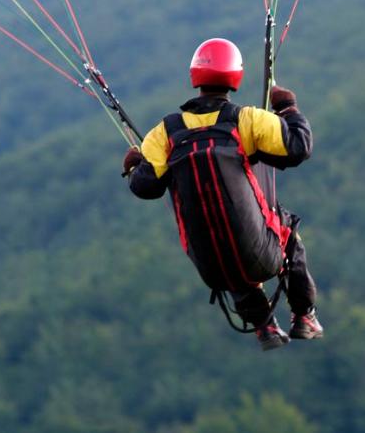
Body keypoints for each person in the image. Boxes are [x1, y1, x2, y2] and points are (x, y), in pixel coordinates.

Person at [123, 38, 322, 351]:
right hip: (261, 256)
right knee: (286, 230)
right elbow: (298, 147)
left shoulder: (164, 132)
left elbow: (145, 187)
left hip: (211, 268)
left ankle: (263, 326)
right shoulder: (246, 120)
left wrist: (133, 167)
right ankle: (304, 316)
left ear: (195, 76)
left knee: (223, 243)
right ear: (235, 76)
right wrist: (288, 107)